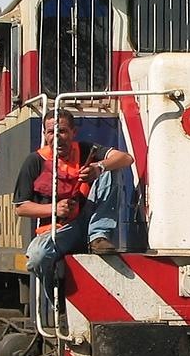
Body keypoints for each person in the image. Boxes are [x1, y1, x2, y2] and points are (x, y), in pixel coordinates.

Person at [13, 108, 134, 292]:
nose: (57, 137)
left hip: (88, 220)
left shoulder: (86, 150)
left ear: (73, 132)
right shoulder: (35, 161)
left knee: (111, 168)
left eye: (62, 131)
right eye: (51, 132)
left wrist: (99, 167)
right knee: (37, 257)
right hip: (59, 230)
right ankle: (55, 298)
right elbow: (21, 208)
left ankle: (98, 235)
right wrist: (54, 209)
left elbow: (126, 158)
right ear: (44, 134)